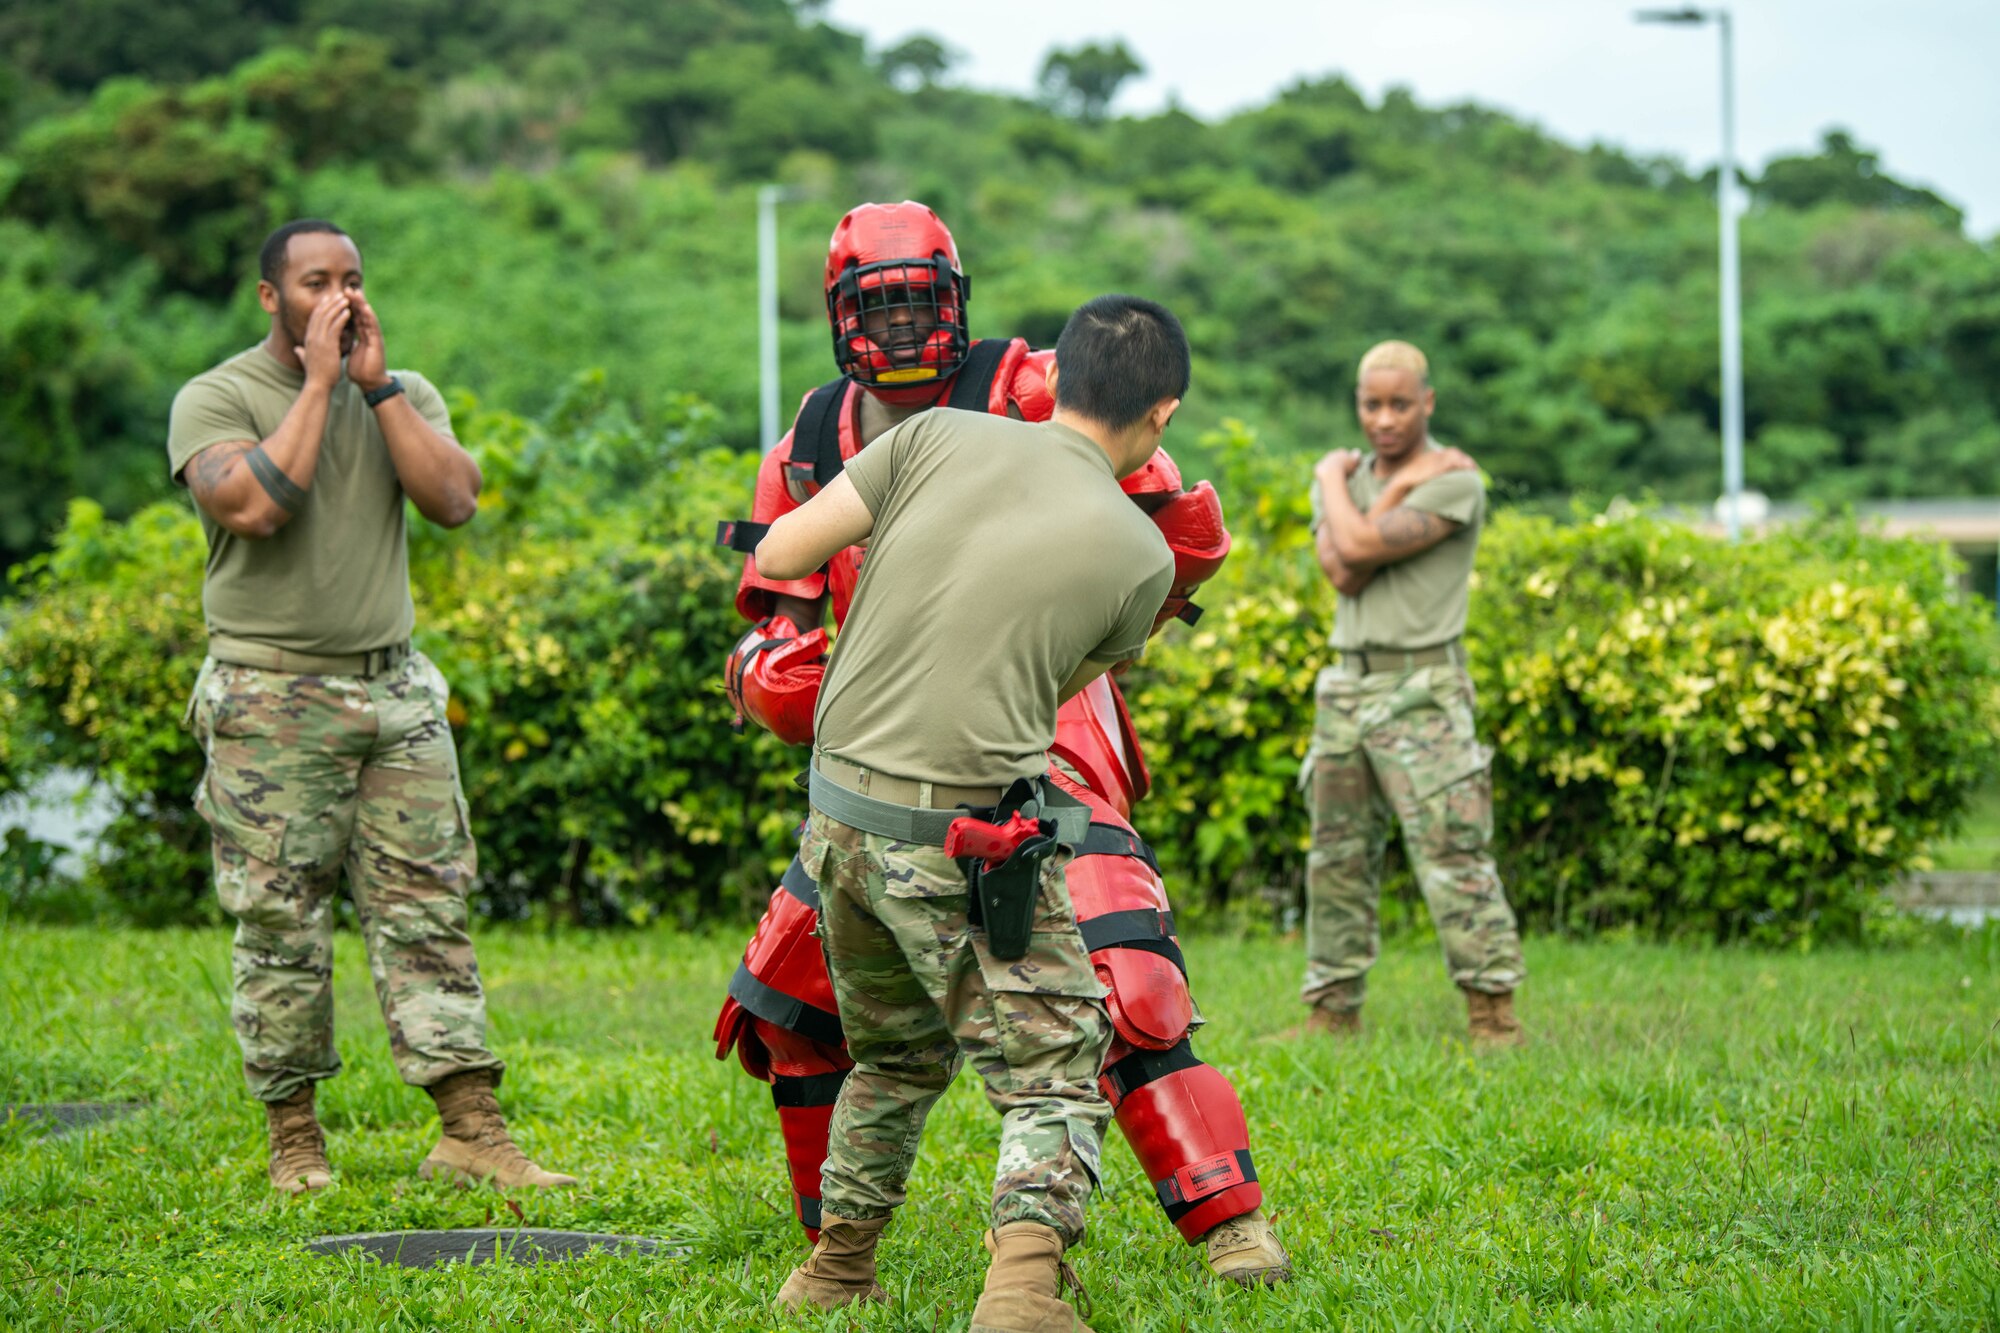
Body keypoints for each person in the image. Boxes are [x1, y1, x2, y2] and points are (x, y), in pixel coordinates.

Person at [710, 202, 1289, 1286]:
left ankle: (1227, 1221)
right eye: (873, 308)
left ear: (956, 299)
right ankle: (835, 1251)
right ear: (836, 315)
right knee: (789, 1002)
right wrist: (766, 670)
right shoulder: (811, 429)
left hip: (1033, 727)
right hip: (880, 711)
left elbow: (1175, 528)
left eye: (916, 303)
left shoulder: (1024, 385)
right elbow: (775, 598)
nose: (895, 331)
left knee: (1119, 962)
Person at [755, 293, 1184, 1330]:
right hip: (957, 839)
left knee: (895, 1056)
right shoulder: (1143, 557)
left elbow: (777, 557)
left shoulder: (933, 434)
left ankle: (834, 1269)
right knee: (1053, 1067)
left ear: (1055, 375)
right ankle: (1023, 1296)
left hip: (836, 826)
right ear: (1160, 414)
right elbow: (1054, 685)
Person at [168, 219, 574, 1194]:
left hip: (394, 688)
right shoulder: (217, 397)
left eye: (352, 278)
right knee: (280, 923)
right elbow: (254, 505)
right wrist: (315, 385)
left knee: (427, 909)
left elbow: (455, 500)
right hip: (270, 693)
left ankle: (471, 1132)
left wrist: (378, 387)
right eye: (317, 281)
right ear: (273, 297)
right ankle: (295, 1139)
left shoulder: (397, 390)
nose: (340, 297)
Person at [1301, 338, 1526, 1045]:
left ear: (1428, 402)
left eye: (1401, 403)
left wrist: (1330, 477)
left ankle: (1493, 1015)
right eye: (1372, 404)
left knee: (1452, 852)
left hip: (1422, 686)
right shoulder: (1352, 481)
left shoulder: (1457, 481)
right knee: (1335, 854)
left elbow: (1359, 549)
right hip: (1346, 682)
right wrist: (1372, 487)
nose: (1386, 419)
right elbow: (1345, 576)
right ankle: (1331, 1012)